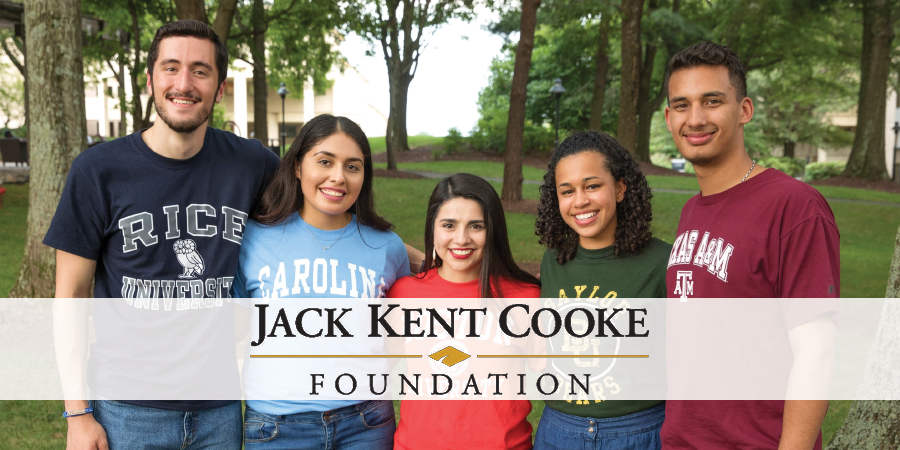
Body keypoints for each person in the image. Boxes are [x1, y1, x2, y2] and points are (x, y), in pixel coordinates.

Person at [44, 20, 282, 450]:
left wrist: (427, 255)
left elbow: (325, 214)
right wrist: (77, 413)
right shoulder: (98, 171)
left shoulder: (251, 165)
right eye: (170, 68)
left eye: (200, 70)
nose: (184, 83)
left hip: (220, 411)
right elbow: (70, 297)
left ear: (220, 89)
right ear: (151, 80)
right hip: (127, 411)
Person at [661, 41, 839, 449]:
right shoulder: (692, 210)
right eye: (683, 105)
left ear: (744, 110)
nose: (697, 118)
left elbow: (817, 356)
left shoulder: (793, 206)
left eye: (712, 101)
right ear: (670, 119)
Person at [233, 114, 409, 450]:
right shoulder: (253, 240)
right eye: (325, 161)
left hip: (366, 422)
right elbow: (235, 328)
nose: (338, 177)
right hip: (276, 427)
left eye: (352, 166)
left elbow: (402, 332)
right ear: (298, 167)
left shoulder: (388, 247)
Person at [533, 131, 670, 449]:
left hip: (638, 431)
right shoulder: (554, 261)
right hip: (559, 430)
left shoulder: (662, 263)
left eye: (592, 186)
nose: (580, 200)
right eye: (567, 191)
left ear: (620, 187)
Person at [387, 172, 542, 450]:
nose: (461, 238)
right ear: (432, 227)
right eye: (449, 225)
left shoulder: (525, 298)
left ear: (492, 230)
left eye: (476, 226)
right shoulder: (404, 294)